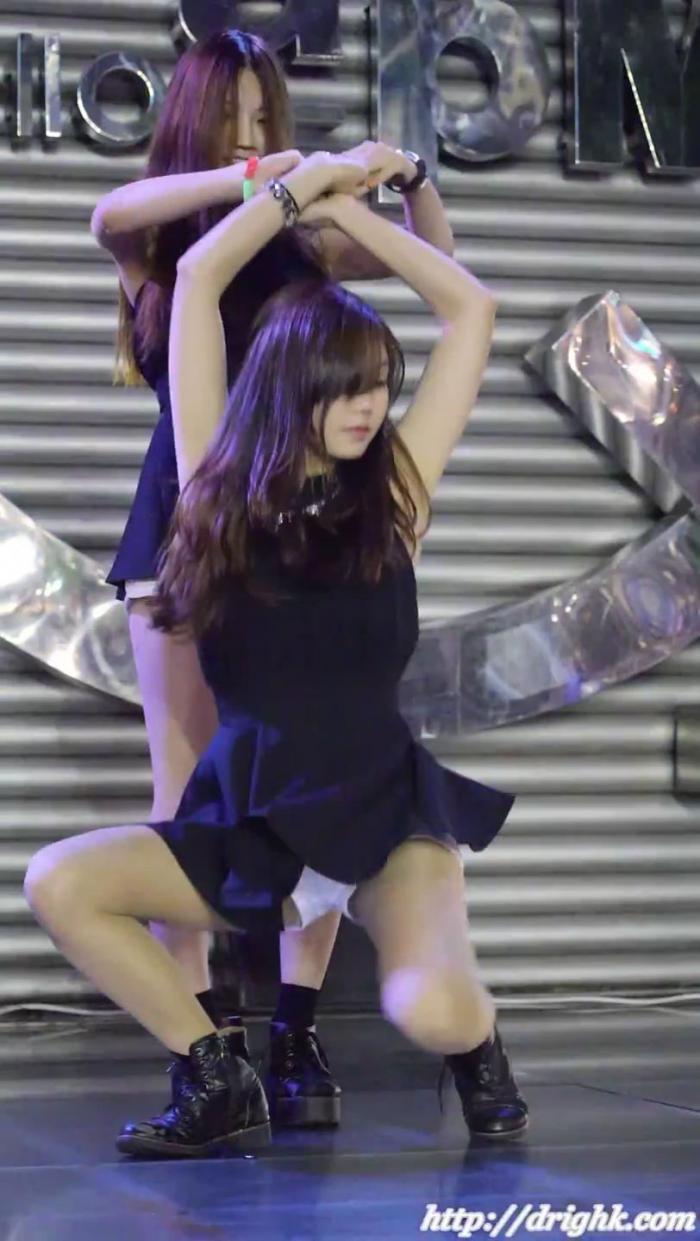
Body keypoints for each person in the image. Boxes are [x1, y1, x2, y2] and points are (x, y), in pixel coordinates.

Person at [25, 148, 527, 1160]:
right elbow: (200, 276)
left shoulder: (394, 496)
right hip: (252, 824)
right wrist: (293, 190)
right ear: (289, 386)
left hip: (382, 818)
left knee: (429, 1007)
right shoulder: (212, 497)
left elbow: (469, 308)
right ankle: (217, 1076)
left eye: (379, 385)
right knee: (59, 881)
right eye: (345, 388)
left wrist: (360, 204)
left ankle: (476, 1045)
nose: (368, 408)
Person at [89, 26, 475, 1131]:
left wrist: (410, 181)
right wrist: (273, 178)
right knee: (183, 789)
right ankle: (207, 1040)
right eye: (235, 117)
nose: (253, 136)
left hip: (307, 524)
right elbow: (113, 211)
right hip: (190, 516)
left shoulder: (305, 244)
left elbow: (439, 268)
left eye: (267, 118)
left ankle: (296, 1029)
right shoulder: (159, 237)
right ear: (195, 119)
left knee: (313, 768)